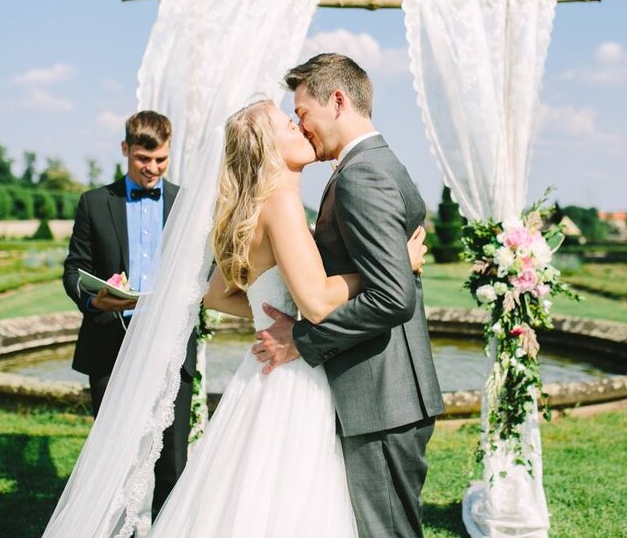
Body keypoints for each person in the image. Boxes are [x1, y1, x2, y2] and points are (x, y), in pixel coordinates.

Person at [145, 99, 427, 537]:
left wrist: (266, 316)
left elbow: (216, 294)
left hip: (260, 374)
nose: (299, 126)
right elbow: (315, 302)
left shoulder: (252, 207)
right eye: (287, 123)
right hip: (294, 380)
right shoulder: (282, 204)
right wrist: (394, 264)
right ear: (268, 147)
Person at [253, 53, 446, 537]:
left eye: (304, 114)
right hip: (384, 392)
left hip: (381, 396)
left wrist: (302, 340)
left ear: (337, 101)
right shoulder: (374, 162)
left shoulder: (363, 174)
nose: (302, 127)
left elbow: (392, 297)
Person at [62, 110, 195, 520]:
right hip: (108, 344)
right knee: (113, 452)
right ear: (125, 150)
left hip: (171, 346)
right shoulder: (93, 203)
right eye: (143, 159)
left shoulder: (186, 203)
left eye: (160, 161)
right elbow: (73, 269)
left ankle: (167, 527)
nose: (152, 169)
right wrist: (93, 300)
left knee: (172, 456)